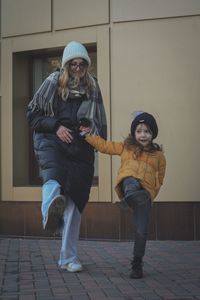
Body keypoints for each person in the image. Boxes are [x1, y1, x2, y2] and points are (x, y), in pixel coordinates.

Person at [27, 41, 107, 272]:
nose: (78, 68)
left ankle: (68, 259)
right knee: (53, 177)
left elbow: (99, 120)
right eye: (73, 64)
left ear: (87, 66)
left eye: (82, 64)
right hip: (52, 139)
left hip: (80, 147)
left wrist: (90, 132)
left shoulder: (93, 86)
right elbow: (32, 115)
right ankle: (49, 215)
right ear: (66, 65)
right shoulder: (52, 82)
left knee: (75, 204)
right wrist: (55, 127)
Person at [80, 112, 166, 279]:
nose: (143, 135)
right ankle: (130, 197)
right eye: (139, 131)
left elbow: (160, 179)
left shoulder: (159, 156)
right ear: (134, 133)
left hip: (145, 195)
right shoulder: (126, 147)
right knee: (131, 180)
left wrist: (152, 194)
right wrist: (87, 136)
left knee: (142, 231)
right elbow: (105, 145)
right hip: (129, 184)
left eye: (147, 131)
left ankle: (137, 263)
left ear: (153, 134)